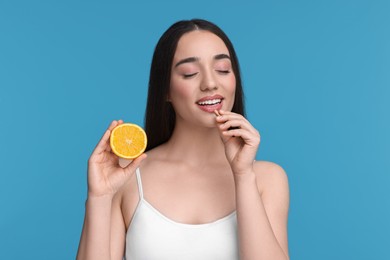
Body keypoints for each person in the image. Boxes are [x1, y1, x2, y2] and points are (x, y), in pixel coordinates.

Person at [77, 19, 290, 260]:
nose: (210, 83)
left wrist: (243, 176)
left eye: (222, 69)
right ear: (165, 89)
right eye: (190, 73)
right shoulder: (127, 175)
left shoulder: (267, 179)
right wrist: (99, 198)